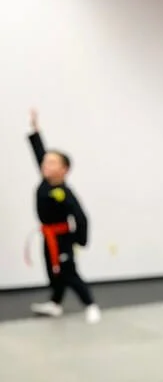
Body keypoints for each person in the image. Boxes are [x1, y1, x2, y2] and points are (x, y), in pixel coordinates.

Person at [27, 110, 100, 323]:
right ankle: (55, 304)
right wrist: (35, 129)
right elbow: (39, 152)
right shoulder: (44, 181)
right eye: (45, 162)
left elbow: (82, 217)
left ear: (64, 170)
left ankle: (91, 304)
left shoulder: (65, 193)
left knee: (68, 273)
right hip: (47, 235)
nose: (45, 165)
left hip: (63, 238)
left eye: (51, 163)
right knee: (53, 272)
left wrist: (80, 240)